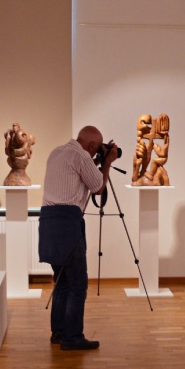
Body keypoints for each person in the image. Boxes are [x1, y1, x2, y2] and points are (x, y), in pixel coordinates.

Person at [38, 126, 119, 351]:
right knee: (77, 283)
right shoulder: (82, 156)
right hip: (67, 223)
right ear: (92, 145)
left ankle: (58, 332)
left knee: (61, 281)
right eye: (97, 148)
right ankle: (72, 337)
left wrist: (97, 162)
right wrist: (107, 163)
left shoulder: (57, 152)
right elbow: (98, 188)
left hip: (48, 222)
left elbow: (76, 175)